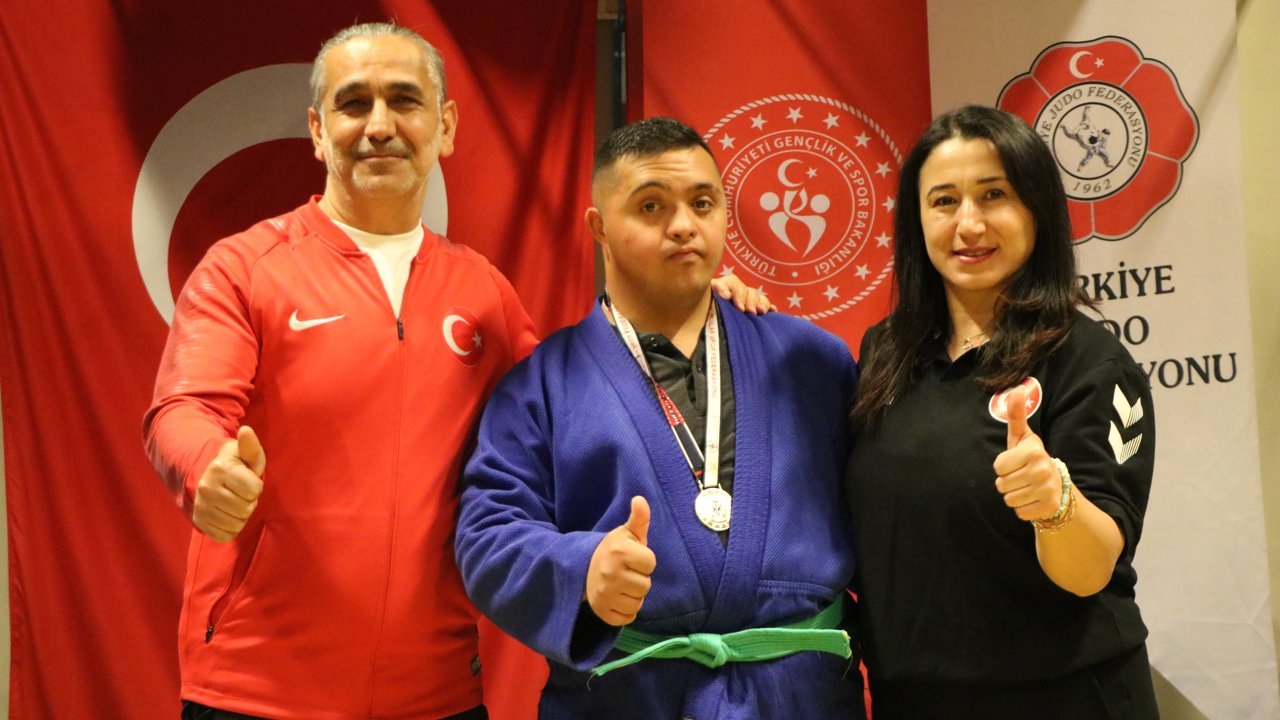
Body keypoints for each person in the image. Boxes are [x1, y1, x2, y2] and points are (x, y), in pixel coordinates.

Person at [143, 24, 767, 720]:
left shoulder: (483, 292)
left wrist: (698, 304)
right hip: (256, 688)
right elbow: (184, 409)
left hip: (437, 692)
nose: (380, 126)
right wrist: (207, 468)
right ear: (318, 131)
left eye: (404, 101)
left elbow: (580, 408)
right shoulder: (243, 267)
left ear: (444, 127)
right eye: (355, 104)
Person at [454, 117, 865, 719]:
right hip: (624, 701)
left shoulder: (811, 361)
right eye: (651, 206)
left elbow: (886, 518)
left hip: (801, 698)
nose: (683, 225)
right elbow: (488, 533)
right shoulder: (541, 385)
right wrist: (583, 570)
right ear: (599, 227)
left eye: (702, 203)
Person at [846, 105, 1157, 719]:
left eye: (995, 195)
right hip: (914, 697)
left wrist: (1055, 505)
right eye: (944, 201)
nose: (969, 223)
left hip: (1064, 697)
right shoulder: (884, 352)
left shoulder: (1090, 361)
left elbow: (1092, 569)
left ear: (1037, 209)